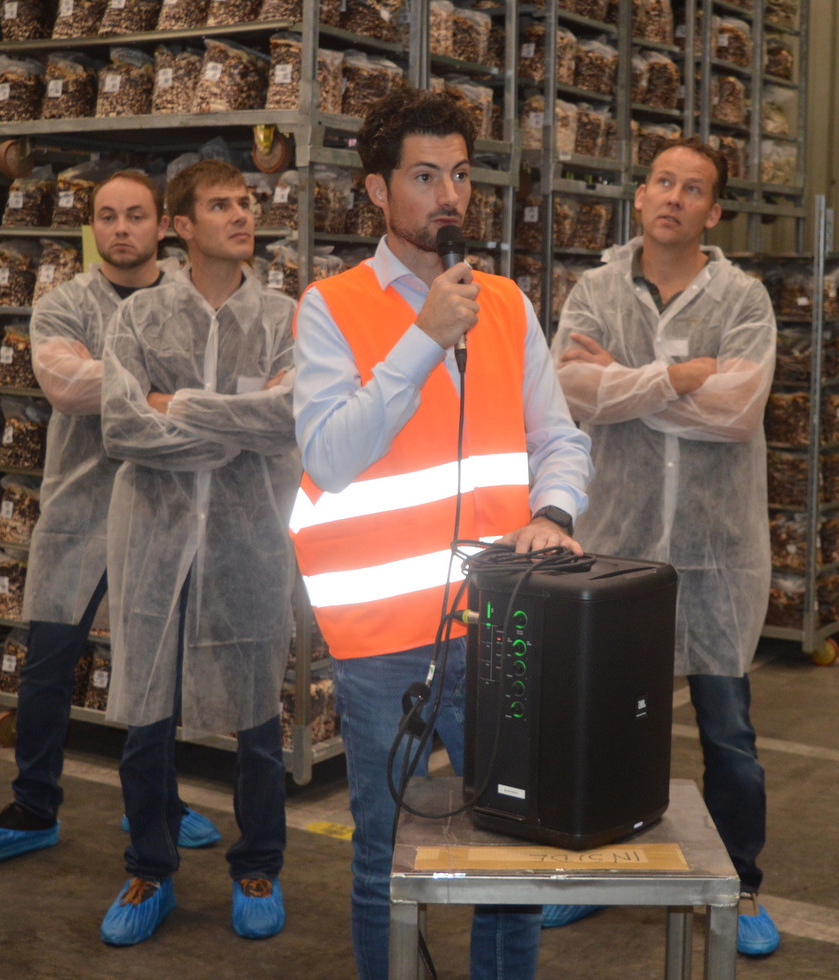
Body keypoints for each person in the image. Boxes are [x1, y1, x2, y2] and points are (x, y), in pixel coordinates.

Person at [290, 88, 593, 980]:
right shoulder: (331, 307)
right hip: (383, 641)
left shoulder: (506, 303)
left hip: (500, 625)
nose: (449, 196)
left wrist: (553, 512)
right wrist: (422, 339)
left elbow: (558, 437)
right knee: (383, 857)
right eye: (424, 177)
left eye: (459, 174)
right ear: (377, 191)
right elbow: (330, 455)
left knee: (515, 849)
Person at [545, 136, 780, 957]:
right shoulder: (596, 291)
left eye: (694, 188)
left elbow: (738, 412)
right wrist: (678, 376)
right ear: (640, 196)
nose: (674, 197)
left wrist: (628, 380)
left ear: (714, 212)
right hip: (620, 551)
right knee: (608, 728)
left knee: (729, 737)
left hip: (717, 559)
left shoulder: (744, 300)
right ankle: (590, 874)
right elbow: (572, 390)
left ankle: (741, 886)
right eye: (663, 182)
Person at [0, 170, 221, 864]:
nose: (120, 229)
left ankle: (157, 803)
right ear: (93, 226)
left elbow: (216, 385)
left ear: (163, 225)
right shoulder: (64, 302)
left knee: (153, 670)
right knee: (48, 664)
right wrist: (162, 386)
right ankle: (33, 806)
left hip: (161, 512)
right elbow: (65, 385)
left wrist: (131, 379)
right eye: (107, 216)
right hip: (78, 510)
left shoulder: (191, 300)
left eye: (135, 215)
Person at [97, 159, 301, 946]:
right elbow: (123, 427)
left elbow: (287, 420)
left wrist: (174, 403)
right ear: (181, 226)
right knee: (147, 715)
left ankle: (259, 865)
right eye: (221, 205)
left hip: (250, 546)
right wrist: (232, 424)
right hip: (155, 544)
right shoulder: (139, 319)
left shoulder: (285, 319)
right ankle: (150, 868)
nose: (242, 215)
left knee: (258, 720)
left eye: (245, 203)